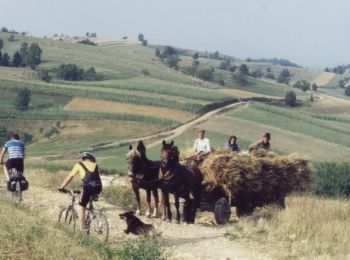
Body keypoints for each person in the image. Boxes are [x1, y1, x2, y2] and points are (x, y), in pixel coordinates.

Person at [59, 152, 102, 231]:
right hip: (98, 187)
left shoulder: (79, 164)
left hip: (88, 187)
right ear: (91, 159)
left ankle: (82, 232)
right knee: (88, 203)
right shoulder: (96, 165)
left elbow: (70, 177)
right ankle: (90, 217)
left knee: (81, 208)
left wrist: (62, 187)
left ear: (84, 159)